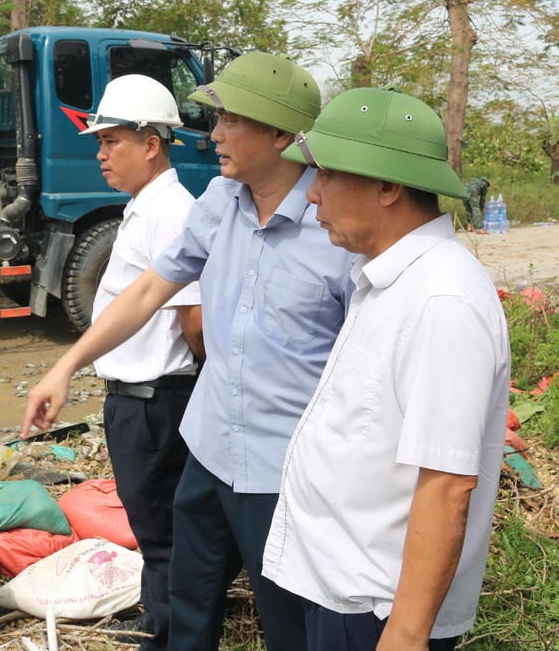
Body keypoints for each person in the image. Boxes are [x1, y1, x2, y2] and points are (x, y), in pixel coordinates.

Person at [24, 53, 352, 651]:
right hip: (208, 449)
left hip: (282, 468)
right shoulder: (219, 202)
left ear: (282, 135)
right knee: (184, 602)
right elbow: (149, 289)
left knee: (287, 623)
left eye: (229, 120)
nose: (214, 134)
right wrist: (65, 366)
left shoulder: (337, 226)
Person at [262, 87, 510, 651]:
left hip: (377, 608)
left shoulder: (441, 301)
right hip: (343, 584)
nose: (313, 196)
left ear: (388, 186)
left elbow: (447, 484)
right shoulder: (385, 277)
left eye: (325, 176)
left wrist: (406, 632)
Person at [34, 74, 203, 649]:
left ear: (151, 143)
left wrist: (194, 381)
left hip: (159, 398)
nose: (101, 155)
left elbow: (194, 318)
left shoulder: (168, 214)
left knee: (164, 531)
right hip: (142, 398)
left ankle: (172, 632)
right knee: (156, 524)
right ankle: (160, 617)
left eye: (112, 143)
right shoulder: (145, 207)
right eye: (99, 143)